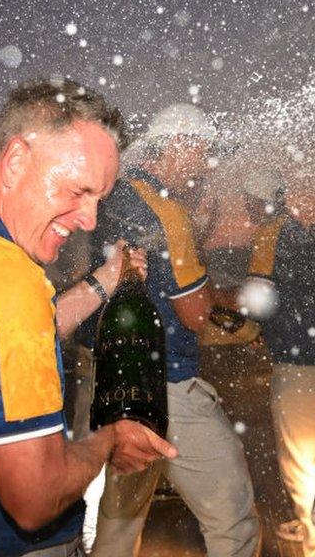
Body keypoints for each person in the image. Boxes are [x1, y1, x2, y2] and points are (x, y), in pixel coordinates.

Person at [0, 79, 176, 557]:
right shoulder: (10, 284)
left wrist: (104, 281)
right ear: (16, 161)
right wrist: (110, 440)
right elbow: (34, 498)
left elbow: (6, 336)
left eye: (99, 198)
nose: (89, 220)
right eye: (77, 190)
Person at [83, 103, 261, 557]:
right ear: (178, 146)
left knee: (119, 520)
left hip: (114, 382)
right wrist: (224, 298)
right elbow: (194, 314)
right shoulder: (166, 211)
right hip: (168, 386)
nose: (206, 164)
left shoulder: (112, 198)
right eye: (202, 152)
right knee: (233, 518)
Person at [223, 170, 315, 556]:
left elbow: (257, 302)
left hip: (299, 363)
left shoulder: (270, 233)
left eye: (247, 199)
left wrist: (210, 298)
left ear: (257, 200)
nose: (245, 207)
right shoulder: (296, 230)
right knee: (313, 453)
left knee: (300, 461)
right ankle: (314, 525)